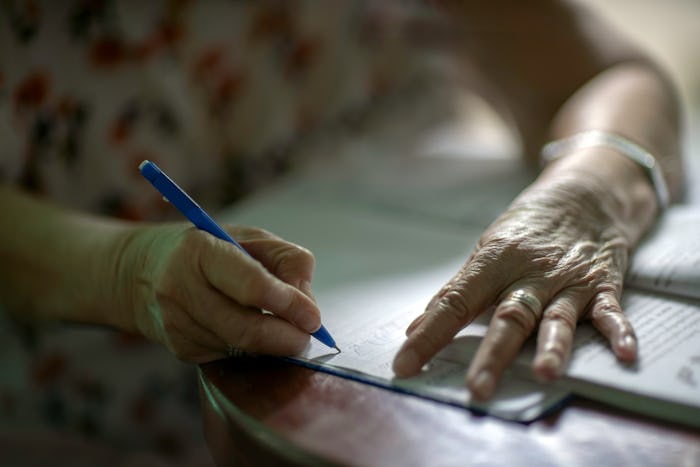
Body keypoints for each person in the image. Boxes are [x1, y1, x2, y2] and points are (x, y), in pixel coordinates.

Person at [0, 0, 684, 463]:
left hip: (443, 244)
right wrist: (127, 269)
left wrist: (589, 188)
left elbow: (607, 72)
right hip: (112, 412)